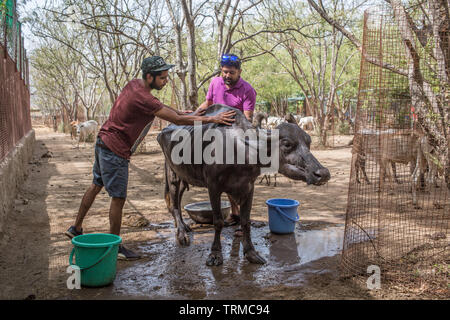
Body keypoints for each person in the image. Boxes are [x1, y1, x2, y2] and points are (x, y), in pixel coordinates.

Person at [65, 56, 235, 260]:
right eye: (162, 78)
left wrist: (184, 112)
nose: (165, 81)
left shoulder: (135, 85)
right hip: (115, 150)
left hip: (103, 142)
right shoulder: (144, 99)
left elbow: (169, 111)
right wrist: (211, 118)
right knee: (118, 198)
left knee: (95, 185)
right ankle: (115, 247)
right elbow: (177, 120)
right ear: (149, 76)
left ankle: (76, 227)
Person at [197, 53, 257, 230]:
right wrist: (193, 115)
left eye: (231, 73)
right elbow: (208, 103)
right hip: (213, 133)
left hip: (235, 135)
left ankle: (241, 218)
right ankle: (235, 213)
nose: (227, 76)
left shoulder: (248, 90)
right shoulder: (215, 83)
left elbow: (246, 119)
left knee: (238, 178)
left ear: (239, 71)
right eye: (224, 72)